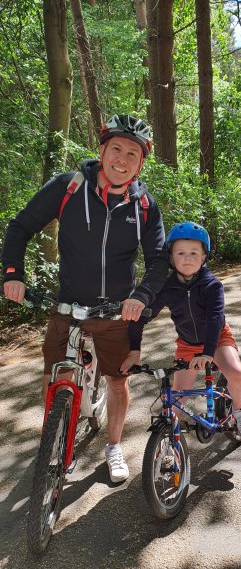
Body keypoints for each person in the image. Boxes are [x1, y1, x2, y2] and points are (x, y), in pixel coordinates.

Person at [2, 114, 168, 481]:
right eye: (117, 150)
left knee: (117, 381)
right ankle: (54, 438)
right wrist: (13, 274)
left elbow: (158, 261)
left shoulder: (144, 206)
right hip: (68, 304)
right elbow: (20, 227)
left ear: (141, 164)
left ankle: (113, 447)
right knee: (53, 375)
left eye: (132, 155)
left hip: (116, 312)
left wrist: (140, 296)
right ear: (102, 150)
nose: (122, 161)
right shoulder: (69, 187)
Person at [121, 221, 241, 440]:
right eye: (181, 253)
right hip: (187, 344)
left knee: (236, 373)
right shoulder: (167, 287)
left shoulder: (212, 285)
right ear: (171, 258)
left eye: (194, 253)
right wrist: (134, 350)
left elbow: (215, 319)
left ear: (204, 257)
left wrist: (208, 353)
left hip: (217, 339)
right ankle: (167, 447)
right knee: (176, 400)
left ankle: (240, 412)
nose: (187, 258)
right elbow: (142, 318)